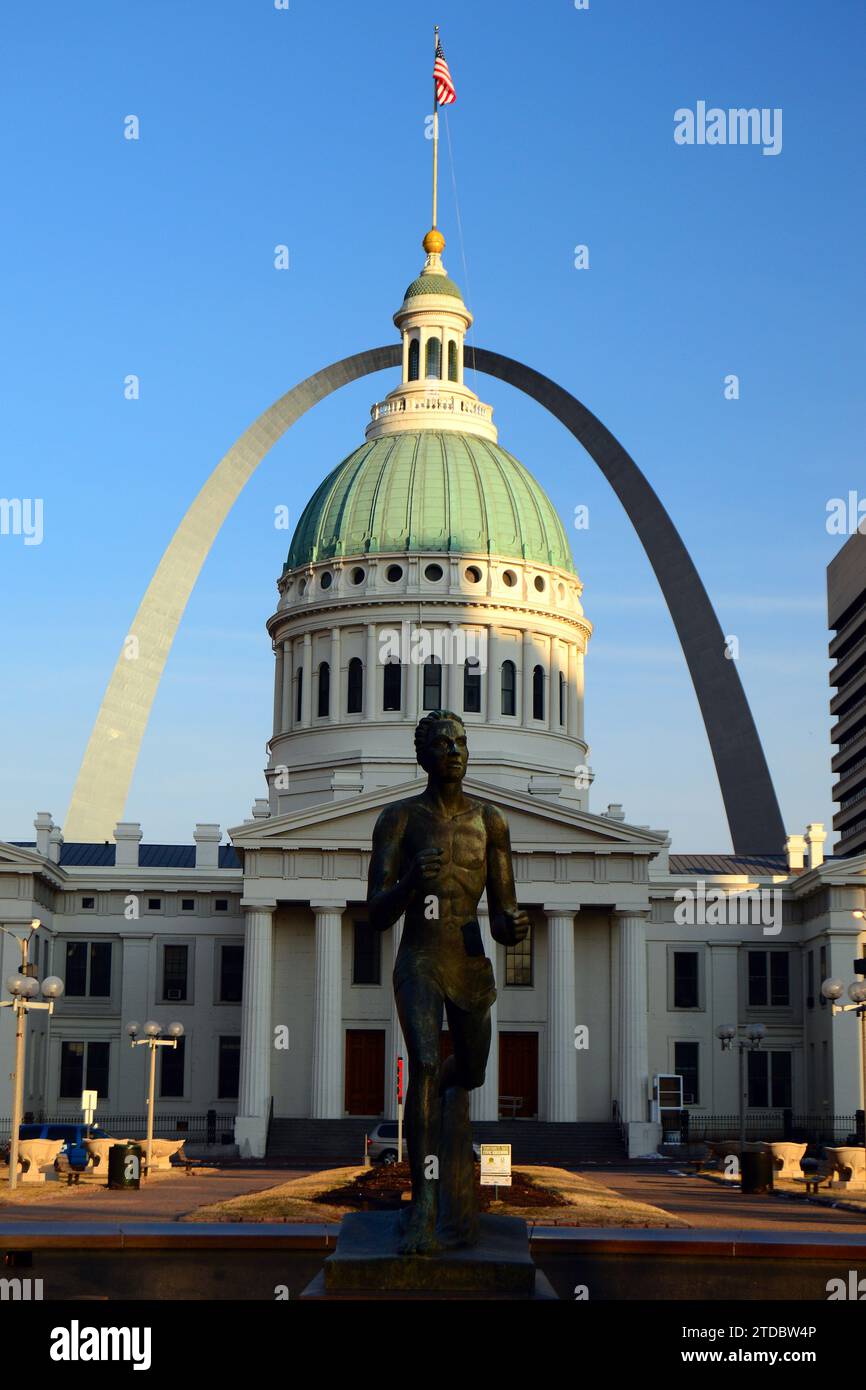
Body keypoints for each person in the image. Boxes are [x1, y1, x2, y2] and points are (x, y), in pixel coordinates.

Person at [367, 709, 529, 1252]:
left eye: (460, 742)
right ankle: (425, 1206)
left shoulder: (492, 822)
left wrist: (513, 925)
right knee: (428, 1069)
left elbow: (505, 915)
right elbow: (375, 914)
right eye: (442, 743)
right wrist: (412, 880)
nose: (454, 750)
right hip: (420, 957)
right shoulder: (399, 820)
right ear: (423, 754)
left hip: (469, 958)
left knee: (472, 1074)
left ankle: (445, 1129)